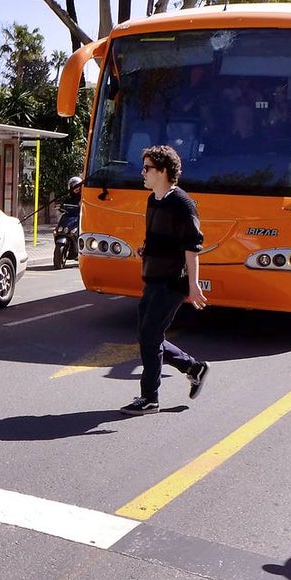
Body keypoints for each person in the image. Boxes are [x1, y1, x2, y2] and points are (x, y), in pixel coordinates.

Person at [122, 145, 210, 414]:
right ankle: (192, 367)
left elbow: (192, 246)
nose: (143, 173)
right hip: (152, 278)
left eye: (147, 168)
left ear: (162, 171)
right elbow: (158, 237)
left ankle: (150, 398)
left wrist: (194, 285)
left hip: (171, 282)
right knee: (147, 335)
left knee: (149, 336)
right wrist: (146, 249)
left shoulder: (182, 204)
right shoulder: (154, 200)